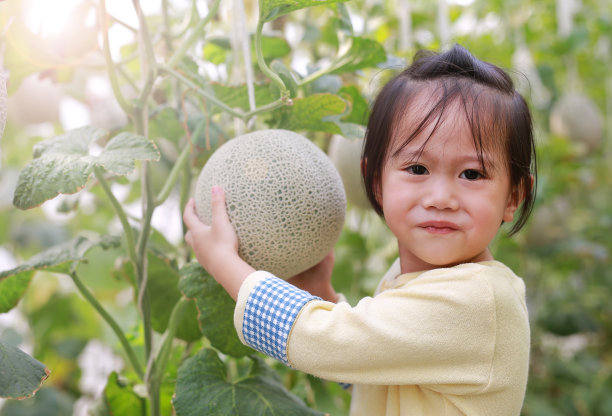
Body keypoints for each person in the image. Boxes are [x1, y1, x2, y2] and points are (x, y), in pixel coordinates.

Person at [183, 43, 537, 416]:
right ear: (376, 182)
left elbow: (322, 342)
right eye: (417, 169)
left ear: (513, 196)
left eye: (472, 174)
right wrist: (322, 295)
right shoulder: (416, 278)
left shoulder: (477, 301)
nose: (440, 197)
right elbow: (374, 362)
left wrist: (224, 262)